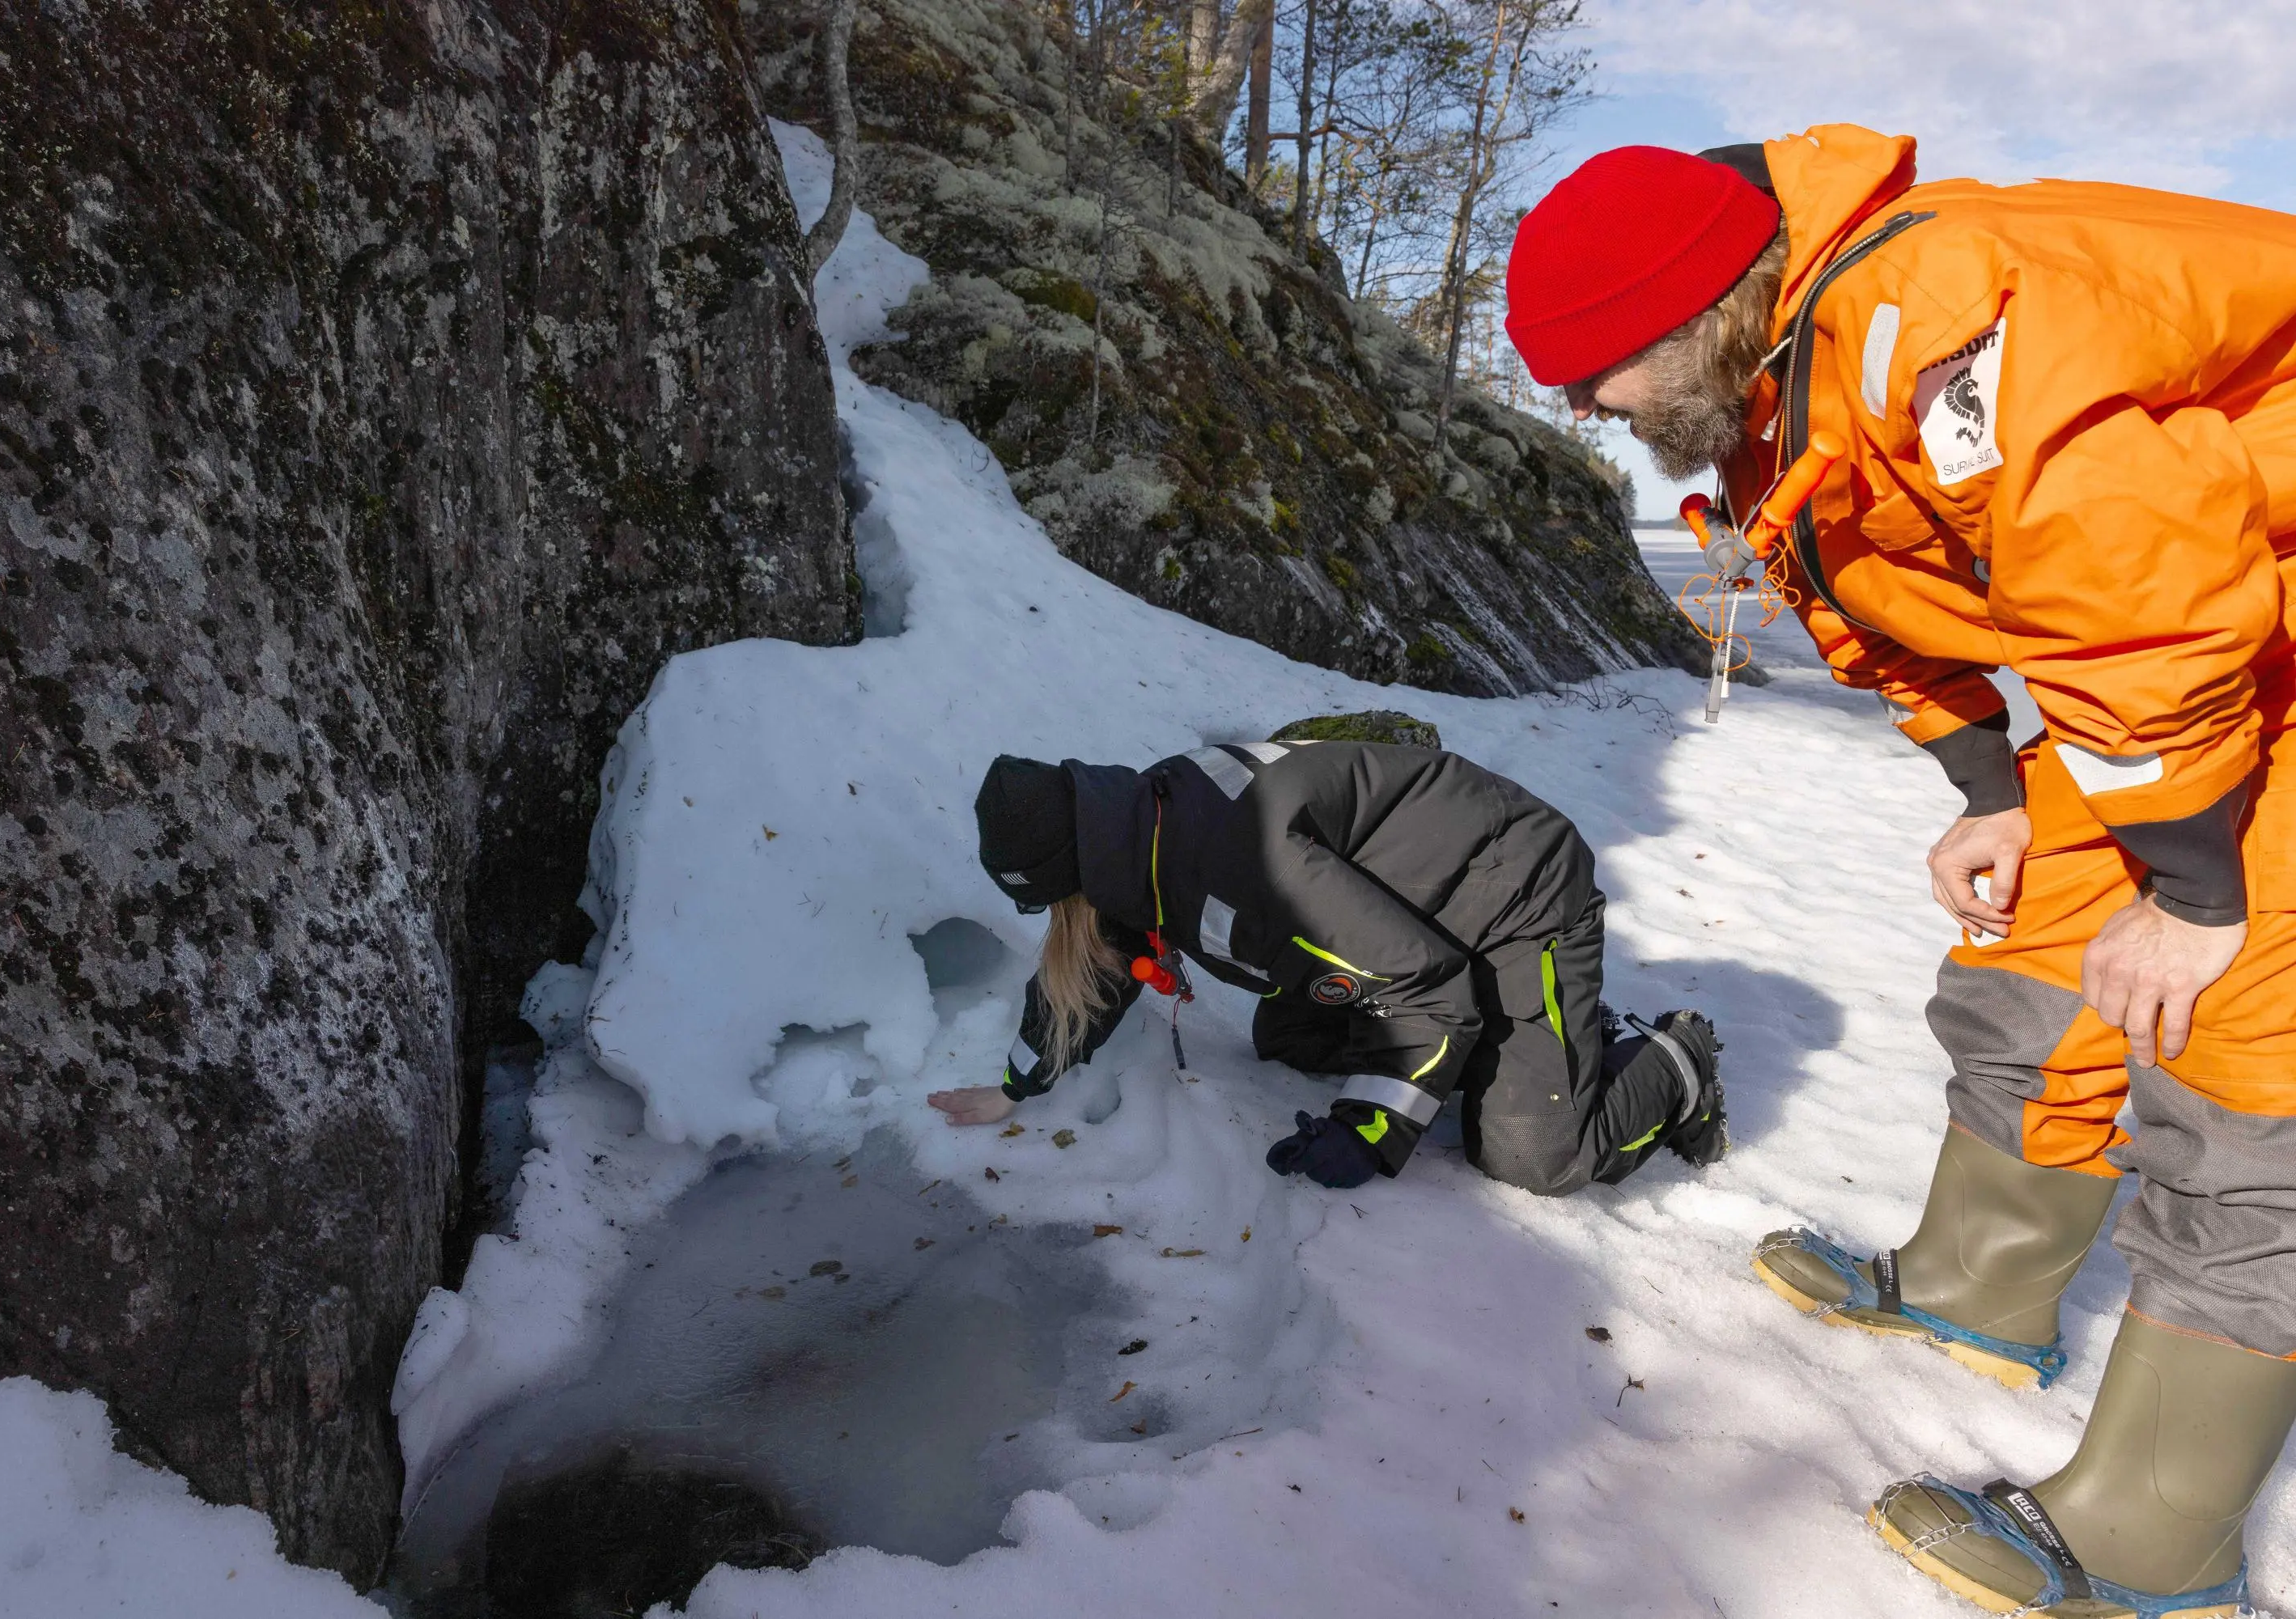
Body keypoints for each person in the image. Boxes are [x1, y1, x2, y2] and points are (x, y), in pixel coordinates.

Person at [1502, 129, 2296, 1617]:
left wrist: (2193, 891)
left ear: (1693, 311)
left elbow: (2139, 588)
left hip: (2227, 630)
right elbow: (1866, 595)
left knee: (2244, 1058)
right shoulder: (1773, 387)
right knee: (2029, 951)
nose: (1578, 407)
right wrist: (1992, 788)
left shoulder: (1948, 323)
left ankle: (2155, 1532)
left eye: (1593, 370)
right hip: (2189, 639)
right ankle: (1984, 1283)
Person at [924, 743, 1724, 1197]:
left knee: (1537, 1155)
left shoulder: (1242, 870)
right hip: (1422, 917)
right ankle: (1535, 1036)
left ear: (1076, 876)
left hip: (1521, 899)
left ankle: (1672, 1060)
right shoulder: (1140, 824)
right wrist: (1014, 1086)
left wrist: (1368, 1130)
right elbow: (1093, 968)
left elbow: (1429, 992)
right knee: (1293, 1036)